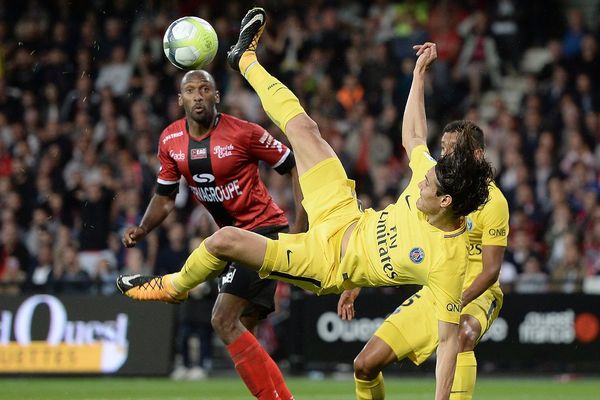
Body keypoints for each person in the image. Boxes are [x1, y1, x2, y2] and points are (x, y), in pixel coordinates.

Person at [117, 9, 493, 400]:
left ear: (446, 202)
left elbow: (448, 345)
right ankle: (244, 58)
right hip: (344, 212)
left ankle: (176, 287)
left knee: (225, 239)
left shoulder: (448, 263)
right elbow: (414, 134)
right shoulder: (430, 179)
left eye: (428, 185)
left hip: (326, 261)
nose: (421, 181)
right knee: (303, 130)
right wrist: (418, 75)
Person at [120, 68, 305, 399]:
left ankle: (173, 286)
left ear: (216, 96)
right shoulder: (171, 141)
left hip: (264, 230)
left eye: (205, 89)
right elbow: (164, 197)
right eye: (190, 90)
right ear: (180, 100)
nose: (198, 96)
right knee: (240, 332)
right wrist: (143, 228)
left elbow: (293, 164)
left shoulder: (244, 133)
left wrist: (300, 227)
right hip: (235, 239)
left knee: (222, 319)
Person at [338, 115, 509, 400]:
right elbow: (392, 235)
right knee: (364, 365)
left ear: (477, 155)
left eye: (454, 148)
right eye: (443, 148)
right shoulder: (432, 190)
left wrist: (456, 302)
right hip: (436, 293)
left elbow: (491, 271)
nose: (445, 155)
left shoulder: (494, 202)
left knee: (464, 333)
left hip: (477, 294)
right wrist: (356, 281)